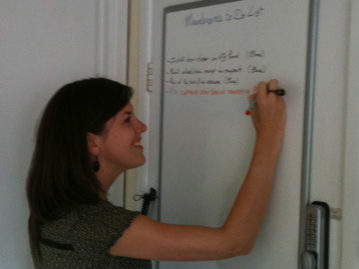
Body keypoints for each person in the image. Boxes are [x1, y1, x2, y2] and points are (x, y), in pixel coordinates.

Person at [26, 77, 286, 268]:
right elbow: (235, 242)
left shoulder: (56, 213)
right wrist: (269, 134)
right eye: (127, 119)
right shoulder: (98, 225)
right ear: (92, 142)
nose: (142, 127)